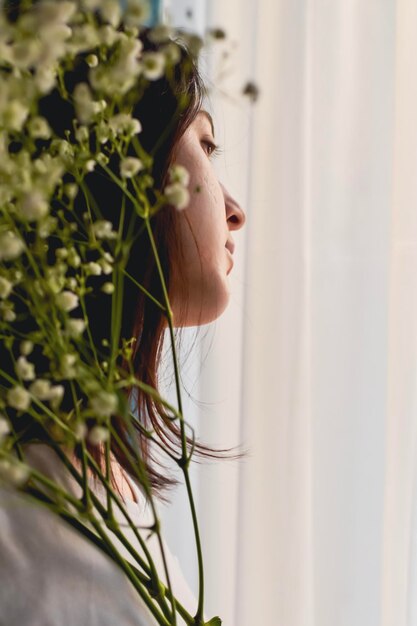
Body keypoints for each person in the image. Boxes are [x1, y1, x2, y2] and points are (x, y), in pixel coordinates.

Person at [0, 18, 245, 626]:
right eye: (205, 147)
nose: (236, 212)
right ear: (115, 180)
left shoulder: (110, 480)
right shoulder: (19, 518)